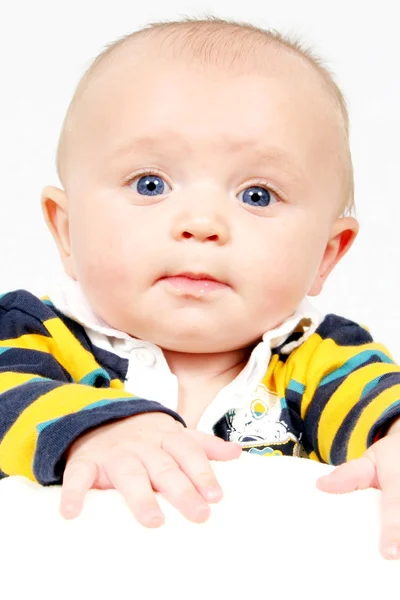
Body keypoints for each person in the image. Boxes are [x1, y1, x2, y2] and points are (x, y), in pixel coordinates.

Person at [1, 16, 400, 560]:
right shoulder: (31, 335)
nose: (202, 222)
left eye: (257, 195)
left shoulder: (321, 357)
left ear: (324, 256)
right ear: (67, 231)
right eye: (151, 184)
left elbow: (379, 403)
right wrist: (92, 430)